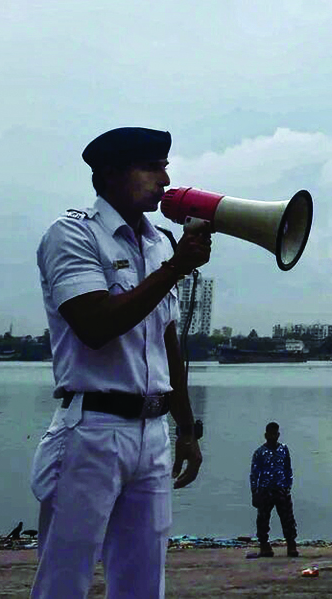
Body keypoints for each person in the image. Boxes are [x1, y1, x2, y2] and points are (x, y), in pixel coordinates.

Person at [30, 127, 210, 598]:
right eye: (151, 167)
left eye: (165, 166)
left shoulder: (159, 242)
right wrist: (175, 269)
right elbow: (94, 326)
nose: (164, 177)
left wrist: (186, 429)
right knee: (65, 578)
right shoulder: (72, 235)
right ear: (109, 173)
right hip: (90, 429)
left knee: (143, 580)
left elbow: (169, 345)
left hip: (151, 433)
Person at [249, 422, 297, 558]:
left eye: (275, 433)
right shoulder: (259, 452)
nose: (273, 436)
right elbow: (254, 474)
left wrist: (288, 486)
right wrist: (254, 492)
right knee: (263, 519)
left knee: (288, 518)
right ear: (265, 435)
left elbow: (288, 469)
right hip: (265, 490)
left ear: (278, 434)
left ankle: (291, 544)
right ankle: (264, 545)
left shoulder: (284, 449)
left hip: (281, 489)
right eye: (270, 434)